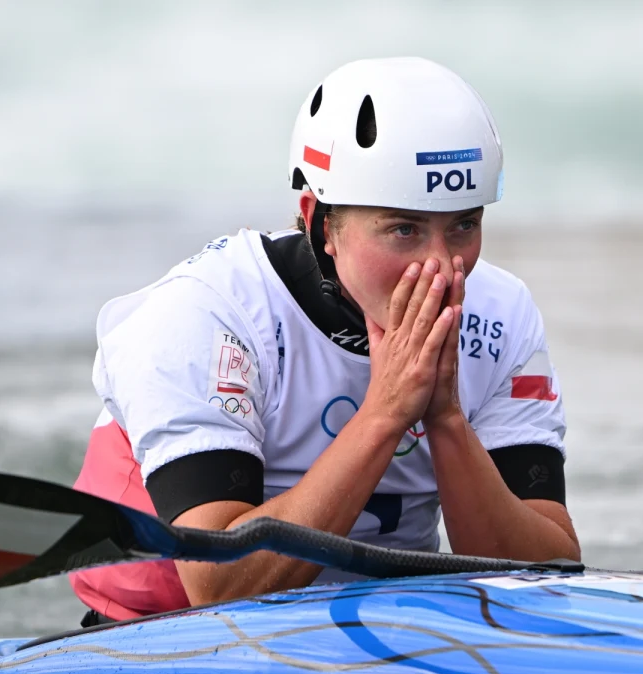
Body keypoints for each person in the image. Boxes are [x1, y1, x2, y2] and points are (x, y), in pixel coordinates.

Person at [69, 57, 580, 624]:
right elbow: (220, 587)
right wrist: (385, 413)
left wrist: (446, 420)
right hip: (159, 634)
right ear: (320, 221)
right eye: (404, 229)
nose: (440, 267)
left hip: (390, 627)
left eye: (464, 224)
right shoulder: (203, 314)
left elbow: (549, 576)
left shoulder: (502, 315)